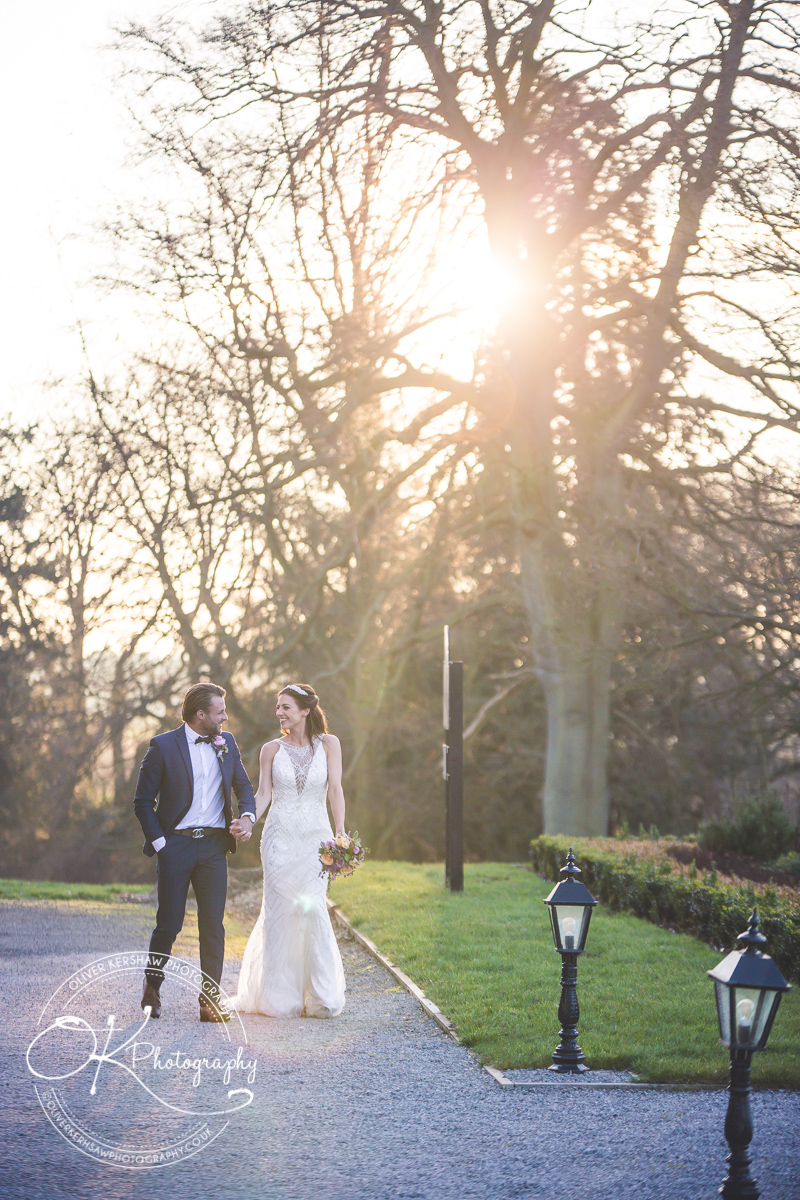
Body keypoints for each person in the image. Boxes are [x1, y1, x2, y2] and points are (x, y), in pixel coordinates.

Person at [133, 683, 256, 1022]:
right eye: (220, 712)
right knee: (169, 924)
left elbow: (243, 786)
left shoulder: (226, 742)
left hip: (215, 847)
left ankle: (209, 999)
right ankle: (152, 986)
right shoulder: (162, 747)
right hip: (176, 846)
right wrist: (162, 845)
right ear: (201, 715)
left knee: (213, 925)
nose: (226, 717)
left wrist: (247, 816)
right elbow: (143, 802)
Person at [228, 683, 346, 1018]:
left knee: (311, 909)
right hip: (278, 839)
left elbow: (335, 789)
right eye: (278, 707)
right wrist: (249, 821)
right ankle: (280, 996)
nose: (279, 713)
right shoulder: (271, 750)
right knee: (280, 909)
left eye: (286, 707)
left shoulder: (330, 745)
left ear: (305, 710)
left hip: (316, 840)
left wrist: (340, 835)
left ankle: (321, 994)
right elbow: (263, 792)